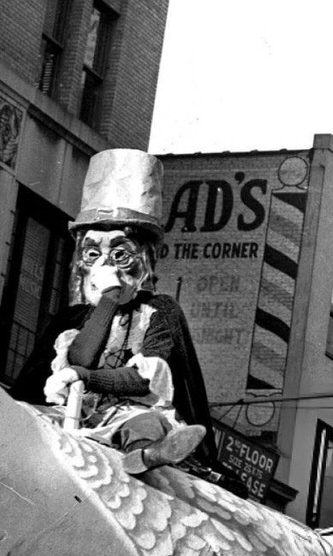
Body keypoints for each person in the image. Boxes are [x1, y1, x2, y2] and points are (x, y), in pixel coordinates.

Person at [13, 149, 218, 477]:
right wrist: (107, 302)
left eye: (120, 253)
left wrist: (89, 377)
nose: (104, 264)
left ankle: (147, 456)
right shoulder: (71, 320)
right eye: (93, 253)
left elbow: (143, 380)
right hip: (71, 413)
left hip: (128, 415)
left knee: (146, 424)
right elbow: (75, 360)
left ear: (146, 258)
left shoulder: (158, 311)